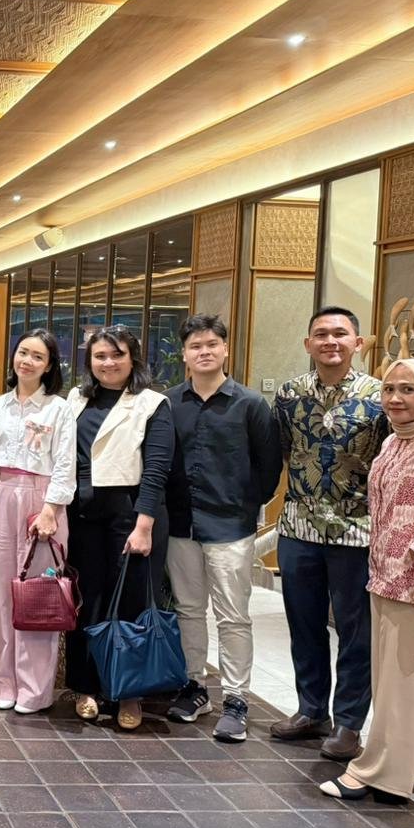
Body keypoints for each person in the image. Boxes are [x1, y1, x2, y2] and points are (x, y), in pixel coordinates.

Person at [320, 359, 414, 804]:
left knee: (399, 681)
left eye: (408, 389)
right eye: (389, 389)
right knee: (408, 677)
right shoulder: (396, 439)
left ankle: (380, 774)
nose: (395, 398)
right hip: (385, 575)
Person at [271, 306, 389, 761]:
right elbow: (285, 451)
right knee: (304, 625)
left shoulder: (380, 396)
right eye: (321, 334)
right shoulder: (289, 394)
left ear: (358, 342)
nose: (330, 341)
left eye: (340, 333)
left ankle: (348, 724)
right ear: (308, 344)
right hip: (298, 528)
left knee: (356, 633)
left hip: (357, 532)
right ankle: (311, 710)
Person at [164, 314, 282, 742]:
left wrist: (243, 506)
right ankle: (194, 686)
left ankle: (236, 698)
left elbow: (269, 468)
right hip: (180, 524)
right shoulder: (168, 403)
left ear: (226, 349)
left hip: (230, 526)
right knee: (189, 610)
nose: (204, 352)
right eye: (196, 346)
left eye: (212, 344)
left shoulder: (250, 404)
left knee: (233, 616)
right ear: (184, 354)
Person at [65, 326, 175, 731]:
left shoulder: (152, 403)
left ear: (133, 359)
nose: (108, 363)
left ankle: (130, 693)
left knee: (131, 604)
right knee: (86, 601)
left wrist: (144, 525)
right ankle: (85, 686)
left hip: (130, 515)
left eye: (117, 355)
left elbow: (157, 469)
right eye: (100, 356)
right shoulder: (76, 399)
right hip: (81, 514)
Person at [0, 329, 76, 714]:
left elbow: (65, 462)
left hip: (44, 501)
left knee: (38, 593)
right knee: (4, 592)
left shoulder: (58, 408)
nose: (27, 361)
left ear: (49, 366)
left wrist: (51, 508)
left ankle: (34, 689)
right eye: (23, 353)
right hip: (5, 495)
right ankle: (5, 683)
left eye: (37, 356)